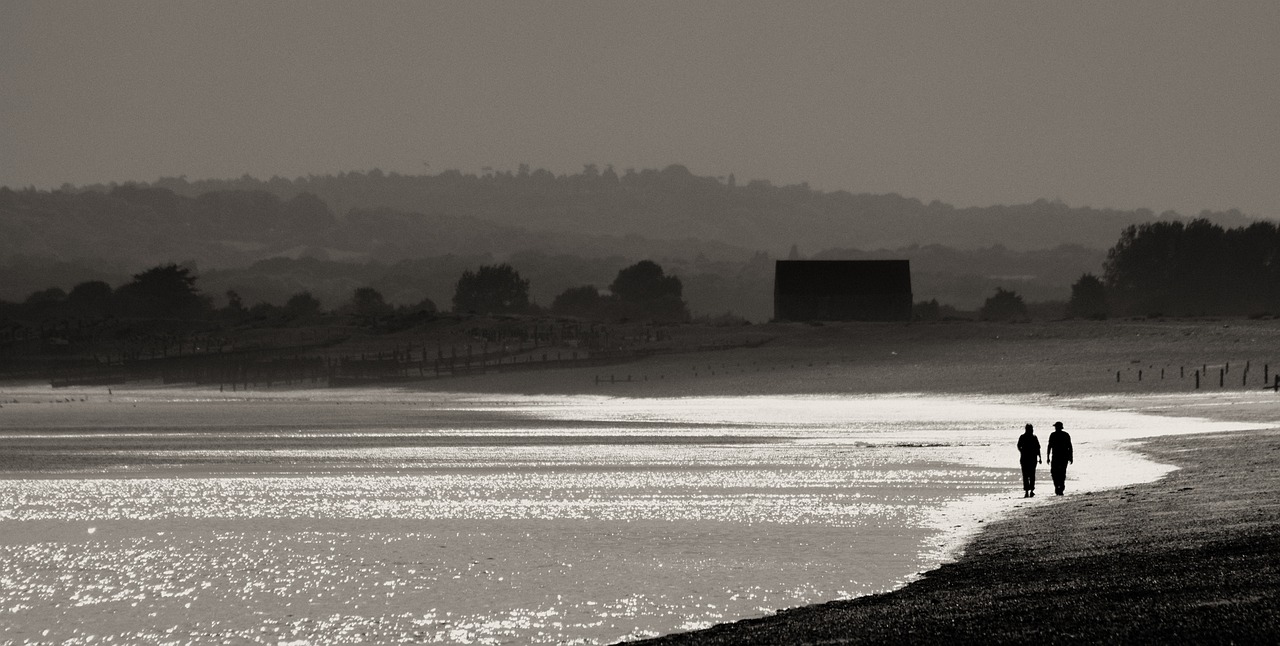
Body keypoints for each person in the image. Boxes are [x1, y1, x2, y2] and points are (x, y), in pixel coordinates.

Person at [1047, 421, 1074, 495]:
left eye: (1056, 427)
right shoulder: (1064, 435)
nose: (1056, 428)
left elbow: (1049, 446)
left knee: (1057, 472)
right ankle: (1059, 487)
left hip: (1058, 457)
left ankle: (1059, 487)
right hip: (1061, 457)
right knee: (1059, 472)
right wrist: (1071, 457)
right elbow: (1070, 447)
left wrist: (1048, 457)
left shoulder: (1054, 435)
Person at [1017, 423, 1041, 497]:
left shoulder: (1023, 437)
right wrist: (1040, 457)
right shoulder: (1033, 437)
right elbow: (1038, 448)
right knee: (1031, 475)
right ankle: (1031, 490)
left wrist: (1021, 451)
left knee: (1026, 475)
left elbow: (1018, 446)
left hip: (1025, 459)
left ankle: (1027, 491)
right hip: (1031, 459)